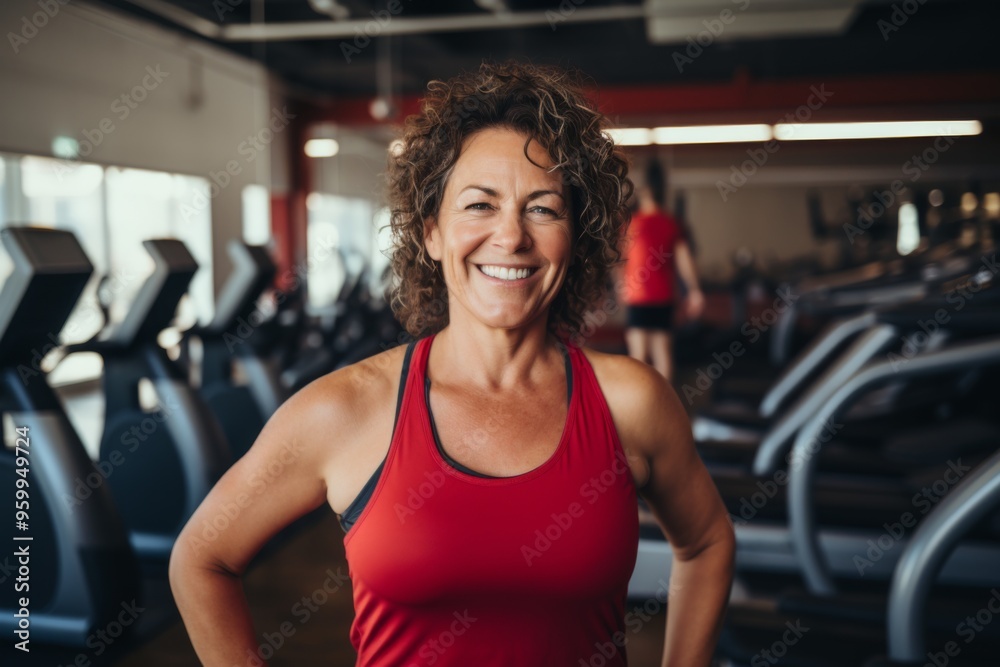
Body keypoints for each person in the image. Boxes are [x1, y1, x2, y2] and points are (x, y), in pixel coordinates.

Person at [169, 61, 734, 667]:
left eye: (543, 209)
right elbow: (202, 558)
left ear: (577, 235)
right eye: (479, 205)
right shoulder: (344, 409)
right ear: (431, 233)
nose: (511, 236)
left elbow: (706, 543)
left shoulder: (633, 404)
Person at [620, 165, 704, 382]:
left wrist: (620, 285)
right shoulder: (670, 224)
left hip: (639, 295)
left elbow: (619, 261)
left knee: (639, 357)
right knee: (661, 354)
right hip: (662, 297)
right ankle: (661, 409)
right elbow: (685, 260)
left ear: (644, 191)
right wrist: (695, 291)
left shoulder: (631, 225)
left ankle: (641, 411)